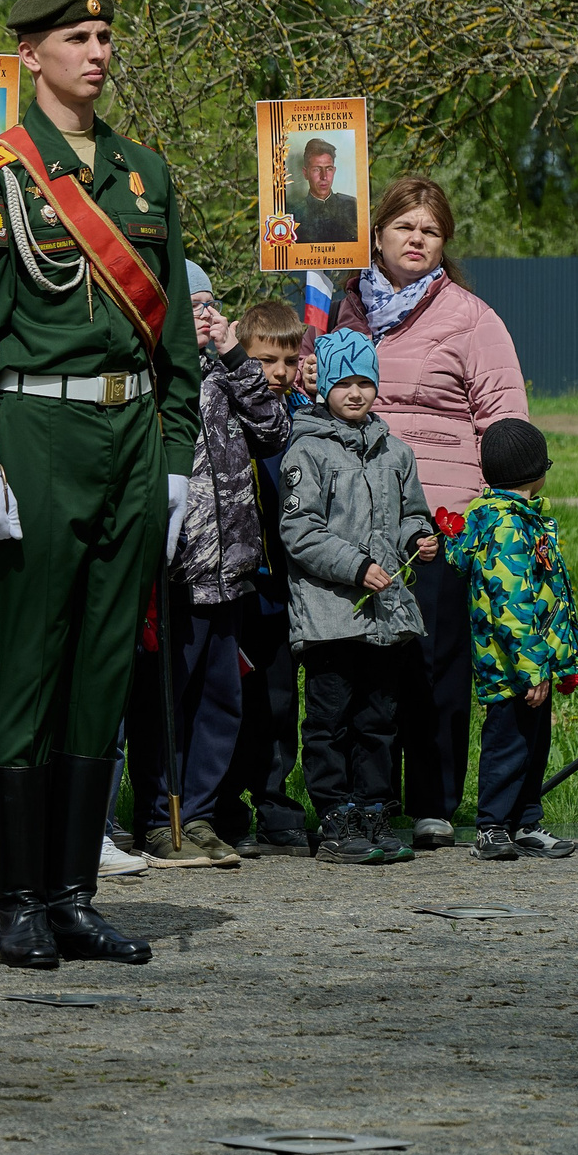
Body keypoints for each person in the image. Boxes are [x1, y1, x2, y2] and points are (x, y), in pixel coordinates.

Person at [0, 0, 197, 971]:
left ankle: (73, 893)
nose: (94, 50)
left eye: (102, 34)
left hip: (128, 436)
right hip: (33, 424)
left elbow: (173, 328)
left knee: (101, 672)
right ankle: (16, 900)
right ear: (30, 57)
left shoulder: (142, 173)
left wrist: (174, 458)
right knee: (32, 667)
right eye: (73, 37)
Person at [327, 177, 527, 850]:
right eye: (404, 226)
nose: (416, 239)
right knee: (367, 663)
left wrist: (494, 512)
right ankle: (366, 795)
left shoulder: (470, 317)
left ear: (443, 244)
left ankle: (434, 801)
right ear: (376, 233)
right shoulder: (338, 309)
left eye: (430, 230)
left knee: (435, 659)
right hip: (354, 519)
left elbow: (504, 421)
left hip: (442, 516)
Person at [131, 262, 290, 868]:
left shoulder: (226, 374)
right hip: (175, 570)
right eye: (193, 305)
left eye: (211, 303)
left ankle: (197, 815)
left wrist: (235, 359)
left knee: (221, 700)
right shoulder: (152, 371)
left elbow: (274, 431)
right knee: (165, 703)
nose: (206, 314)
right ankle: (157, 817)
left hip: (230, 567)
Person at [280, 330, 435, 865]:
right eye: (343, 381)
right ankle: (335, 814)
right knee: (330, 719)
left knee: (379, 716)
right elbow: (299, 532)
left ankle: (373, 808)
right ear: (323, 385)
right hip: (330, 614)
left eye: (365, 381)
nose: (354, 392)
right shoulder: (308, 451)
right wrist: (357, 566)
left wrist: (420, 537)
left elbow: (412, 511)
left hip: (384, 616)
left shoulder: (396, 451)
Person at [451, 420, 578, 860]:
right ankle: (492, 826)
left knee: (534, 744)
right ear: (536, 470)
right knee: (508, 744)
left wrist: (558, 662)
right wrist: (532, 669)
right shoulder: (508, 526)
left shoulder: (517, 517)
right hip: (512, 664)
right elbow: (511, 605)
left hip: (534, 662)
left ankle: (526, 821)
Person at [217, 296, 313, 856]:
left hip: (281, 592)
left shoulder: (302, 423)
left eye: (287, 360)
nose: (277, 373)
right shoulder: (224, 417)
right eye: (264, 361)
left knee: (279, 703)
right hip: (230, 587)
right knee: (228, 698)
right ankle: (223, 805)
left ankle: (274, 799)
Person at [289, 138, 356, 245]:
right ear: (305, 173)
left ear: (334, 171)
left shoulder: (352, 206)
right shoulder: (292, 214)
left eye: (328, 169)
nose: (324, 177)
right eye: (316, 169)